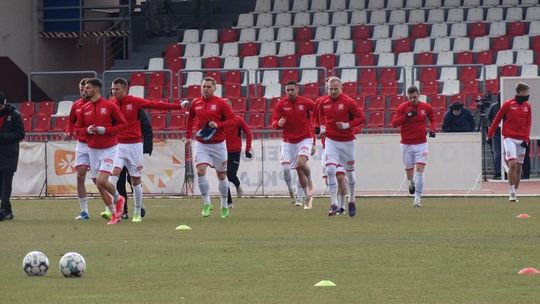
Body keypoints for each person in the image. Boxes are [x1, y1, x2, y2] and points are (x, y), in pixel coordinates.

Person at [107, 78, 182, 222]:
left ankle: (137, 210)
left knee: (135, 180)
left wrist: (179, 107)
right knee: (113, 176)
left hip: (135, 146)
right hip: (119, 146)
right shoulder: (111, 103)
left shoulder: (135, 101)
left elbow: (156, 104)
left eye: (117, 89)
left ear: (125, 89)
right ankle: (116, 205)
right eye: (112, 89)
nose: (114, 92)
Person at [75, 78, 128, 224]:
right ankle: (114, 214)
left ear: (97, 89)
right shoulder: (84, 108)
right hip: (93, 150)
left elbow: (123, 125)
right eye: (84, 88)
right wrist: (87, 130)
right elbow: (77, 129)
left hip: (109, 149)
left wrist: (106, 130)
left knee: (101, 180)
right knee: (99, 184)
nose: (84, 90)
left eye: (88, 88)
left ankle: (119, 199)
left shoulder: (109, 106)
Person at [186, 77, 236, 218]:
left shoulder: (221, 103)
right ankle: (206, 203)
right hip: (201, 144)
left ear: (214, 88)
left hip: (218, 144)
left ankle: (224, 205)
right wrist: (188, 135)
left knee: (221, 175)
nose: (206, 89)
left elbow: (232, 120)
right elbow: (190, 118)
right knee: (200, 171)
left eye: (209, 86)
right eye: (204, 86)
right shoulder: (196, 102)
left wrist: (218, 125)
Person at [316, 77, 365, 217]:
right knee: (330, 169)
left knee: (349, 173)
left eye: (335, 89)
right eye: (330, 89)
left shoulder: (348, 102)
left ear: (341, 88)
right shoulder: (323, 102)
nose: (333, 91)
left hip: (347, 141)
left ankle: (352, 199)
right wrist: (322, 129)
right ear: (327, 89)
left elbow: (361, 118)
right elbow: (320, 117)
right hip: (331, 140)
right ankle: (334, 203)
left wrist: (347, 125)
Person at [271, 81, 316, 209]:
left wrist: (314, 139)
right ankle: (300, 195)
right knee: (290, 170)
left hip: (304, 138)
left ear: (297, 89)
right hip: (288, 141)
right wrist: (277, 123)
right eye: (287, 90)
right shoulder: (281, 104)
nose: (290, 92)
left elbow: (318, 112)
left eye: (292, 89)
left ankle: (310, 181)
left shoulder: (305, 102)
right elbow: (274, 120)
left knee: (302, 164)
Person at [391, 86, 436, 208]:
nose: (413, 100)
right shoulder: (402, 108)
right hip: (406, 144)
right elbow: (394, 123)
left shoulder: (426, 107)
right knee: (410, 173)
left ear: (419, 95)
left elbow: (433, 120)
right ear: (407, 97)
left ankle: (417, 199)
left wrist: (432, 129)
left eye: (415, 97)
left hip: (421, 143)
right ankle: (411, 182)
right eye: (410, 98)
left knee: (420, 171)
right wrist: (407, 116)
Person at [487, 82, 532, 202]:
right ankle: (511, 192)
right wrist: (490, 134)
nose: (528, 95)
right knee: (512, 164)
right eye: (527, 92)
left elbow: (528, 123)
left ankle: (515, 192)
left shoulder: (528, 106)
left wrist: (526, 139)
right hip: (509, 138)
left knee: (518, 168)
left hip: (522, 140)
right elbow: (497, 119)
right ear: (521, 92)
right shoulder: (508, 104)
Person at [118, 109, 153, 220]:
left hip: (133, 148)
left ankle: (139, 205)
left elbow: (146, 126)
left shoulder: (135, 108)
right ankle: (123, 210)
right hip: (117, 148)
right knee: (118, 179)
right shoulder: (111, 109)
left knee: (133, 178)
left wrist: (148, 145)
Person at [65, 78, 92, 220]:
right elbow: (70, 121)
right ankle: (84, 211)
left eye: (85, 89)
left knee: (100, 180)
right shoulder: (76, 105)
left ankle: (111, 207)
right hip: (82, 144)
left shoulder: (100, 105)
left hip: (99, 145)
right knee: (80, 176)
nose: (83, 92)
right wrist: (68, 132)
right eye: (81, 89)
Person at [0, 92, 25, 221]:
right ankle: (7, 210)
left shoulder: (14, 115)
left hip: (10, 153)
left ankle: (3, 208)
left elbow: (21, 134)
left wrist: (3, 137)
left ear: (4, 104)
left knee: (6, 183)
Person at [224, 99, 253, 208]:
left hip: (234, 151)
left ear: (231, 108)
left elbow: (248, 133)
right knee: (223, 177)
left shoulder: (237, 120)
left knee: (230, 175)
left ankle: (237, 184)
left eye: (227, 106)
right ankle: (229, 202)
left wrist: (247, 149)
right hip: (221, 152)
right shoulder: (217, 121)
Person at [487, 100, 502, 179]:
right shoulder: (494, 106)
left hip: (507, 134)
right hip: (497, 134)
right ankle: (498, 172)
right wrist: (493, 125)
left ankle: (508, 171)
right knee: (498, 154)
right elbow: (489, 119)